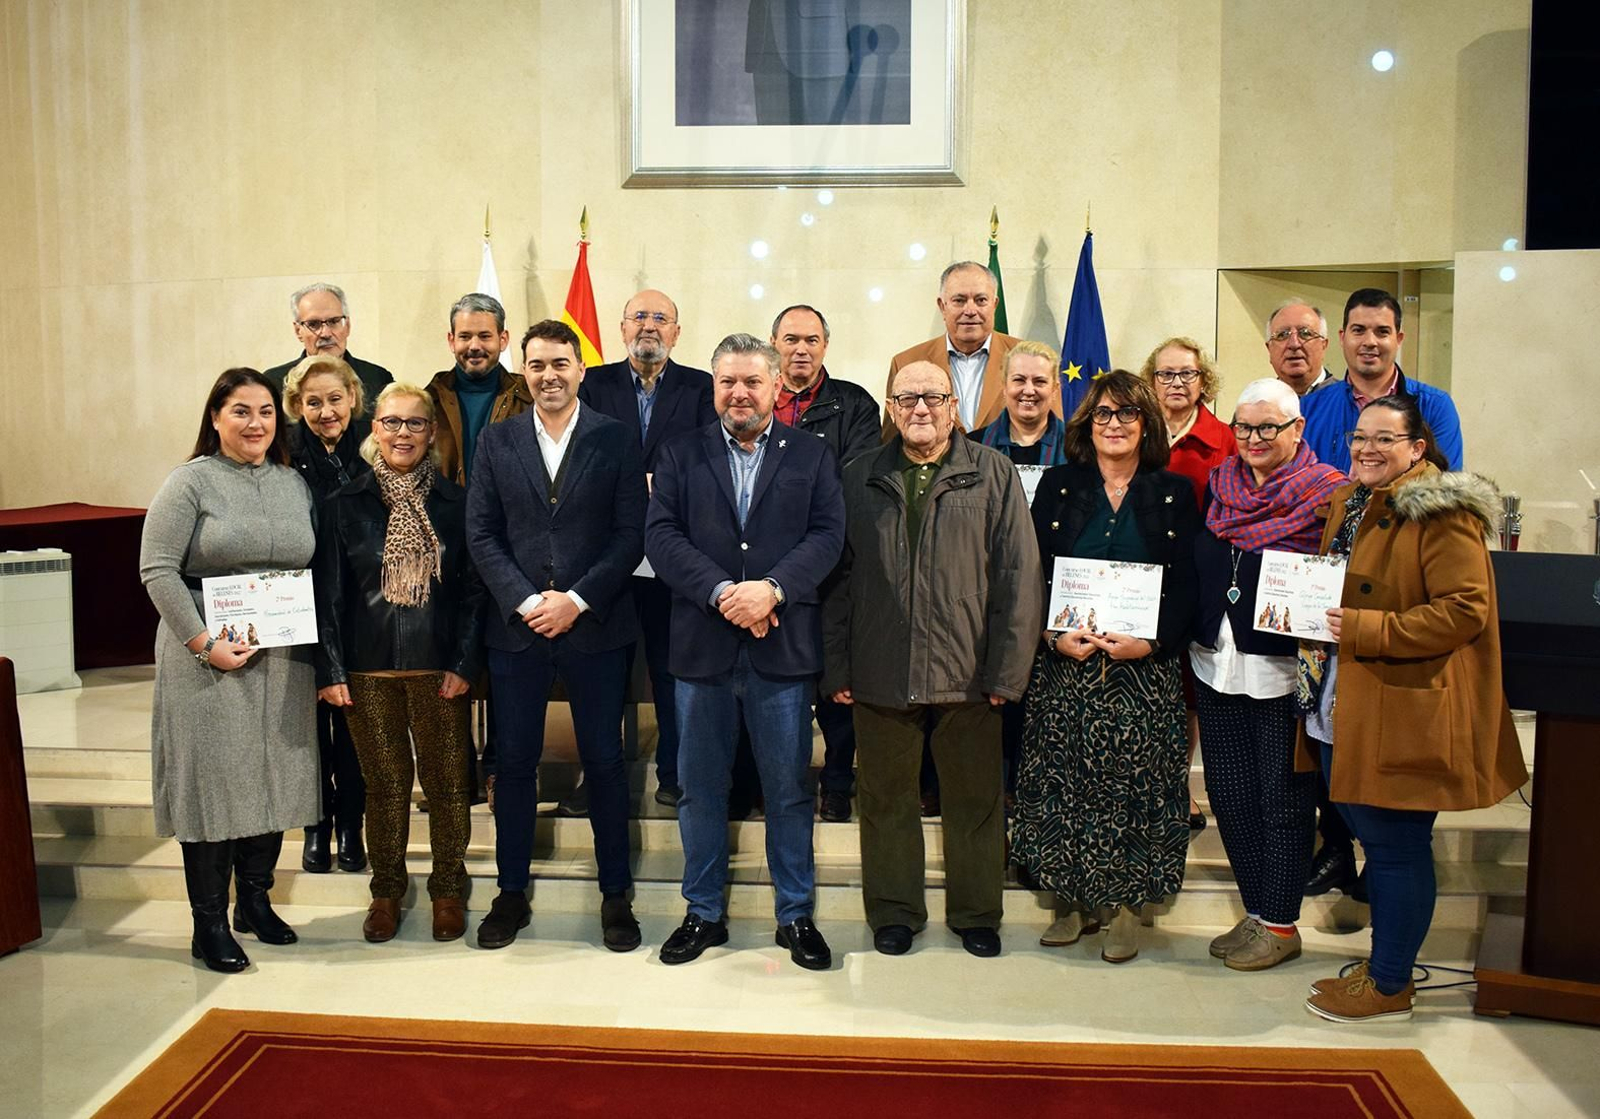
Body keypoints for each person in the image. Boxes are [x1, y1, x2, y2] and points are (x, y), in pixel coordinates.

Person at [1300, 394, 1527, 1022]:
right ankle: (1383, 967)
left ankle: (1392, 982)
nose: (1367, 450)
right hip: (1342, 695)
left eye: (1384, 440)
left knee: (1396, 848)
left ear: (1417, 448)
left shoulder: (1440, 510)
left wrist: (1368, 631)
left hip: (1403, 703)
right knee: (1371, 833)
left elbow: (1464, 610)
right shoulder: (1351, 501)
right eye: (1359, 438)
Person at [823, 359, 1042, 960]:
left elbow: (1019, 579)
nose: (920, 408)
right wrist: (836, 667)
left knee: (975, 801)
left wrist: (1007, 671)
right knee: (886, 800)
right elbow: (837, 580)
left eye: (933, 397)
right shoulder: (857, 475)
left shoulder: (992, 473)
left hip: (968, 672)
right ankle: (894, 912)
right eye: (907, 398)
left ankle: (977, 913)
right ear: (891, 409)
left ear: (954, 406)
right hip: (879, 668)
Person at [645, 333, 845, 970]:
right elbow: (661, 535)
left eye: (751, 382)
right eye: (727, 382)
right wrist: (725, 592)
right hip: (702, 648)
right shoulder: (680, 453)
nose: (739, 393)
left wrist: (774, 590)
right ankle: (702, 912)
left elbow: (828, 534)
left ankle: (796, 916)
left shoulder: (811, 454)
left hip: (781, 649)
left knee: (787, 789)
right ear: (714, 388)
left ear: (774, 385)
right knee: (701, 789)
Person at [466, 320, 648, 953]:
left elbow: (631, 535)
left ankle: (616, 895)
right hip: (516, 632)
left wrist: (573, 600)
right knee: (512, 765)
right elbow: (481, 534)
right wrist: (524, 601)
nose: (549, 375)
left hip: (595, 626)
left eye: (561, 364)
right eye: (537, 364)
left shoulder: (617, 439)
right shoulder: (496, 441)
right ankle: (510, 893)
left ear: (580, 369)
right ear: (524, 368)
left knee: (604, 763)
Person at [1012, 370, 1200, 964]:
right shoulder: (1059, 486)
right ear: (1085, 425)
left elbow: (1189, 585)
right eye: (1103, 415)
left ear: (1146, 425)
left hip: (1144, 672)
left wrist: (1154, 642)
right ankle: (1069, 903)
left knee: (1135, 789)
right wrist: (1049, 634)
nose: (1114, 425)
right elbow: (1031, 569)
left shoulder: (1174, 490)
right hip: (1068, 667)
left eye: (1127, 414)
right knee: (1062, 783)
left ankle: (1126, 910)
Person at [138, 368, 319, 973]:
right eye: (240, 411)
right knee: (216, 786)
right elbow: (157, 569)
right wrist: (200, 642)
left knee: (273, 777)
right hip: (208, 661)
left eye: (266, 411)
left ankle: (257, 904)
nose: (256, 424)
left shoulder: (294, 483)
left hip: (282, 660)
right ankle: (208, 924)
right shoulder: (189, 483)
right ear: (215, 417)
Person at [314, 383, 485, 943]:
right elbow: (330, 597)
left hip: (439, 669)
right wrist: (332, 670)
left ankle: (447, 889)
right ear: (374, 430)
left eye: (414, 424)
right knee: (384, 787)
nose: (402, 434)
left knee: (447, 786)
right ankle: (386, 888)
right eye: (391, 423)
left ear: (432, 433)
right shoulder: (345, 505)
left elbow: (472, 593)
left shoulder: (458, 504)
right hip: (368, 671)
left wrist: (463, 662)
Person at [1190, 379, 1345, 972]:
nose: (1253, 439)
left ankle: (1282, 923)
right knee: (1230, 797)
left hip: (1286, 672)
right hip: (1218, 664)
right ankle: (1259, 912)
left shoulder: (1328, 494)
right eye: (1244, 427)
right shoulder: (1220, 487)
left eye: (1267, 428)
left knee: (1282, 800)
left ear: (1297, 430)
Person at [577, 289, 715, 811]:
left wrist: (657, 483)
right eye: (640, 316)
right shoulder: (593, 385)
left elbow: (703, 460)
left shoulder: (702, 388)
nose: (649, 326)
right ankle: (598, 776)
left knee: (670, 668)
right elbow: (582, 455)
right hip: (605, 554)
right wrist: (639, 482)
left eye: (661, 318)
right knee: (604, 674)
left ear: (677, 332)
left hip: (672, 557)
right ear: (622, 327)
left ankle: (675, 772)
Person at [769, 303, 881, 824]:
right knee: (775, 683)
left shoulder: (854, 404)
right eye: (790, 339)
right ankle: (774, 782)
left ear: (825, 347)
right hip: (765, 568)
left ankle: (837, 782)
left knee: (836, 682)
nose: (800, 349)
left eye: (811, 340)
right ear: (775, 346)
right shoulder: (756, 398)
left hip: (833, 562)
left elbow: (851, 481)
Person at [1139, 336, 1235, 831]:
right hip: (1138, 578)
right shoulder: (1136, 431)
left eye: (1187, 374)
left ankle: (1177, 784)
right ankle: (1144, 781)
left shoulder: (1226, 438)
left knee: (1187, 688)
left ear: (1204, 381)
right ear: (1151, 381)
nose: (1176, 383)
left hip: (1199, 578)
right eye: (1166, 374)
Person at [970, 340, 1069, 804]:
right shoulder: (970, 450)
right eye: (1019, 380)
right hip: (991, 603)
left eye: (1039, 381)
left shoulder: (1081, 450)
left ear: (1055, 388)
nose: (1028, 391)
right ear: (1003, 385)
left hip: (1058, 600)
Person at [282, 355, 370, 876]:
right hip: (299, 606)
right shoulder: (284, 457)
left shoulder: (375, 448)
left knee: (353, 726)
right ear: (297, 407)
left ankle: (350, 827)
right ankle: (316, 824)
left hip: (359, 609)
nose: (326, 410)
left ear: (354, 399)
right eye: (313, 402)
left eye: (335, 399)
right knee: (311, 728)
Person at [1301, 289, 1463, 474]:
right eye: (1359, 330)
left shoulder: (1434, 406)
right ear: (1342, 337)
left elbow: (1446, 489)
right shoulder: (1308, 409)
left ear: (1398, 339)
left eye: (1382, 332)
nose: (1370, 341)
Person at [885, 261, 1037, 435]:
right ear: (942, 306)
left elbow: (1053, 433)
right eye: (959, 300)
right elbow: (892, 442)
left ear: (994, 305)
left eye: (981, 300)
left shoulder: (1030, 360)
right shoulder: (906, 363)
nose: (970, 310)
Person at [427, 292, 532, 487]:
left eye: (484, 336)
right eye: (465, 337)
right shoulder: (427, 402)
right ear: (451, 340)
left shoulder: (530, 399)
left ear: (503, 340)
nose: (474, 346)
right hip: (445, 516)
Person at [263, 282, 394, 405]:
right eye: (313, 324)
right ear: (298, 331)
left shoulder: (378, 379)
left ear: (347, 326)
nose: (325, 333)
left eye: (334, 321)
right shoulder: (273, 383)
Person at [1264, 301, 1335, 395]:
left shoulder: (1350, 402)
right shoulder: (1255, 405)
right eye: (1282, 335)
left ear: (1323, 345)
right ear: (1269, 349)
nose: (1294, 344)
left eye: (1305, 333)